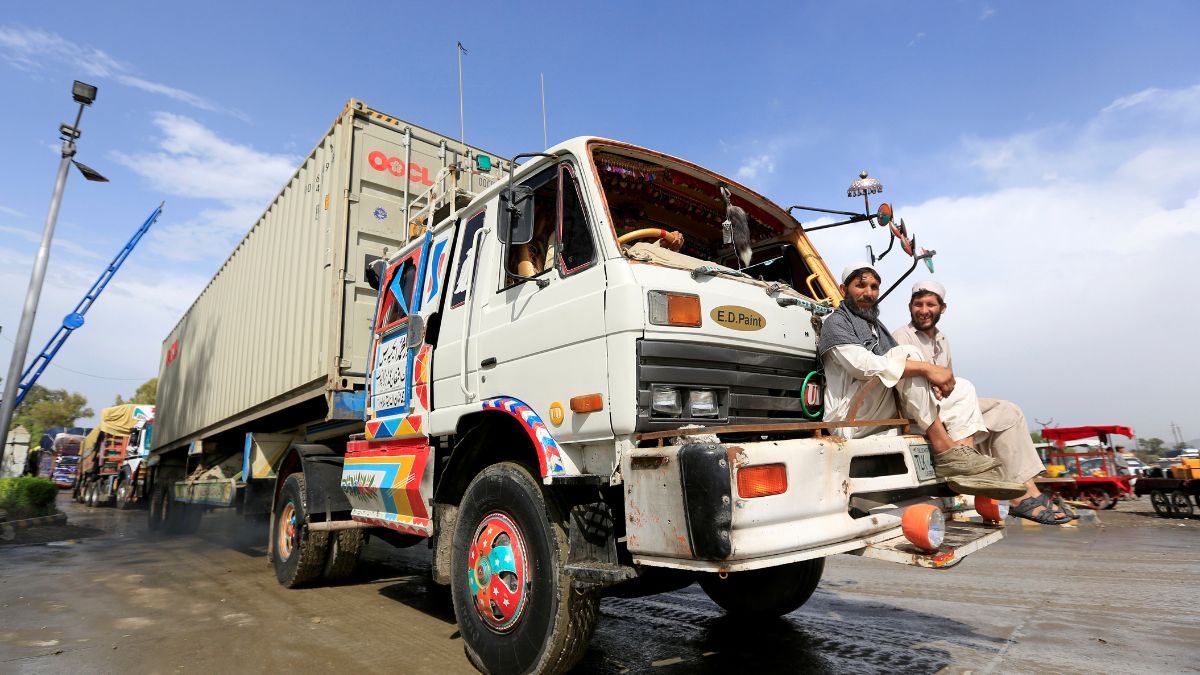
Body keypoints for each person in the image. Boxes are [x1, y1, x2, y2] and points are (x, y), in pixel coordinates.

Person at [818, 262, 1025, 500]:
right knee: (908, 357)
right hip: (849, 417)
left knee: (964, 387)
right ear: (844, 288)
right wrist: (927, 369)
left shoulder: (875, 327)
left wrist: (931, 386)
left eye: (874, 287)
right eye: (861, 285)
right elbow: (863, 366)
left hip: (875, 405)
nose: (869, 293)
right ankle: (944, 448)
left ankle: (963, 464)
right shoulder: (835, 323)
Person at [893, 280, 1073, 523]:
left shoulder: (943, 340)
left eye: (930, 305)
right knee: (966, 386)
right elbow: (905, 382)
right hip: (919, 411)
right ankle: (963, 462)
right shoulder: (901, 336)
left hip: (945, 405)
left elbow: (949, 382)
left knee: (1009, 412)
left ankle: (1027, 491)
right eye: (918, 304)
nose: (923, 310)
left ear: (942, 308)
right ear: (910, 307)